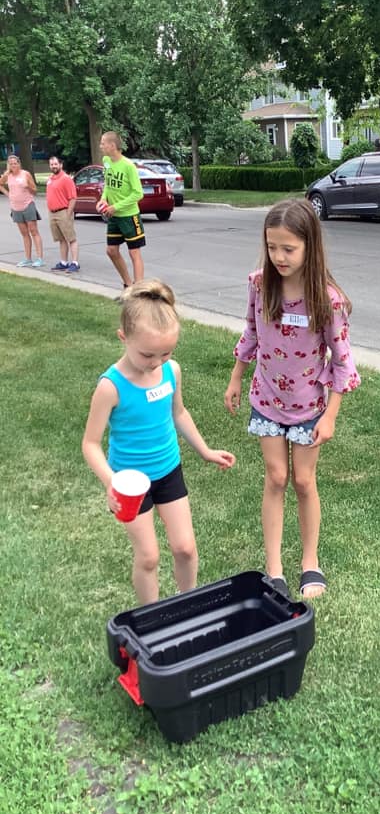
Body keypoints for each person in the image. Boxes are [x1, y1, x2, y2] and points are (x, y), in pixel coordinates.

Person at [224, 199, 360, 599]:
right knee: (276, 477)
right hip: (266, 398)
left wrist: (331, 415)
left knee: (303, 480)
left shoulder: (327, 300)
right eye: (272, 247)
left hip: (309, 407)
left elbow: (343, 362)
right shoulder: (258, 285)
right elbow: (250, 333)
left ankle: (310, 562)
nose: (279, 257)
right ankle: (274, 569)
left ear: (309, 247)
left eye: (289, 248)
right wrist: (236, 378)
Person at [82, 279, 236, 604]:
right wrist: (112, 483)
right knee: (149, 556)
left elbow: (179, 414)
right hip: (130, 484)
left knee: (185, 547)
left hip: (169, 471)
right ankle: (150, 618)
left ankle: (187, 604)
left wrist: (205, 450)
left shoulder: (171, 372)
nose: (156, 362)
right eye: (148, 354)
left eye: (166, 353)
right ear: (123, 338)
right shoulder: (110, 387)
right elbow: (91, 444)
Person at [98, 131, 145, 289]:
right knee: (111, 250)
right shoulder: (106, 161)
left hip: (129, 216)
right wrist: (103, 199)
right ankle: (128, 285)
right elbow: (107, 184)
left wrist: (116, 206)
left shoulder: (128, 166)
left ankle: (138, 291)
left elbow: (138, 193)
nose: (101, 146)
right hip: (113, 216)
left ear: (112, 146)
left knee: (134, 253)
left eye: (103, 143)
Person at [0, 154, 44, 267]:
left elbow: (35, 191)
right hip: (15, 207)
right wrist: (7, 194)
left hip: (28, 205)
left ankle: (39, 259)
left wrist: (27, 187)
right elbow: (0, 184)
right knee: (24, 234)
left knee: (34, 232)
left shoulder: (25, 174)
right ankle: (28, 259)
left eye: (15, 163)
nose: (13, 165)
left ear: (19, 163)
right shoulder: (7, 175)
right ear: (8, 165)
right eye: (11, 164)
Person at [46, 155, 80, 273]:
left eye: (55, 164)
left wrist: (68, 213)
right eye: (51, 164)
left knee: (71, 238)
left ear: (61, 165)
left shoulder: (66, 179)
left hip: (63, 212)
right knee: (61, 239)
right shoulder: (50, 179)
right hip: (52, 213)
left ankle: (75, 263)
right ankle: (64, 262)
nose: (53, 166)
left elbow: (73, 198)